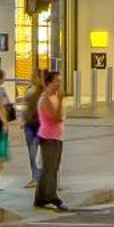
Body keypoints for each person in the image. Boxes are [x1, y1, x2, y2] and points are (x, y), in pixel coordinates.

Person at [34, 70, 67, 211]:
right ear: (49, 83)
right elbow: (56, 118)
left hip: (57, 137)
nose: (59, 83)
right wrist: (60, 100)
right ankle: (48, 196)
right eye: (56, 81)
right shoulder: (45, 99)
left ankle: (44, 197)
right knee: (49, 169)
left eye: (60, 81)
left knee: (52, 168)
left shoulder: (52, 97)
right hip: (48, 138)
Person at [19, 68, 46, 188]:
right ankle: (35, 177)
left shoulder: (43, 91)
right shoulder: (29, 90)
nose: (33, 78)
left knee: (41, 152)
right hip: (29, 124)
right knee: (32, 152)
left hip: (40, 124)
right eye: (32, 75)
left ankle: (43, 176)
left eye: (35, 76)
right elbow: (25, 106)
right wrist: (23, 119)